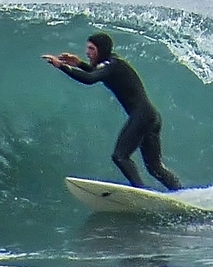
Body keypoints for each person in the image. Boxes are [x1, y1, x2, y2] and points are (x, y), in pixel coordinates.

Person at [43, 32, 182, 191]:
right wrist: (79, 64)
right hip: (151, 116)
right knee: (155, 168)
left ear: (101, 50)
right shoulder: (113, 63)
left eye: (91, 49)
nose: (87, 52)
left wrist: (62, 66)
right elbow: (96, 72)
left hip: (142, 116)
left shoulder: (111, 65)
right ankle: (181, 192)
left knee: (120, 157)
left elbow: (90, 79)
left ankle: (142, 191)